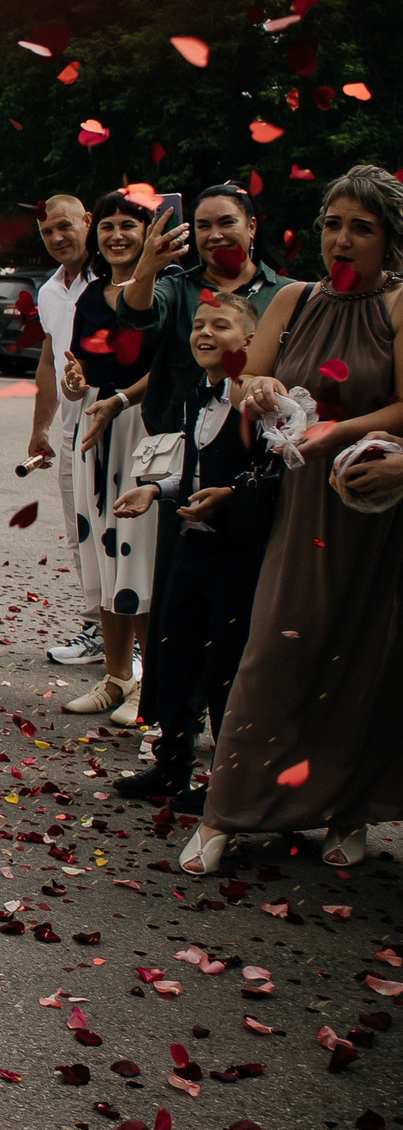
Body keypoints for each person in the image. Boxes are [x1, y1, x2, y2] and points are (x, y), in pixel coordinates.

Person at [180, 165, 403, 874]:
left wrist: (336, 431)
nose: (341, 239)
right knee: (274, 652)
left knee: (364, 653)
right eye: (333, 224)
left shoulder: (400, 307)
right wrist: (262, 386)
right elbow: (250, 382)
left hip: (376, 507)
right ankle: (226, 814)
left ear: (388, 239)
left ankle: (347, 808)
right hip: (302, 506)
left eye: (360, 228)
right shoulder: (294, 301)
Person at [102, 182, 293, 732]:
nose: (214, 235)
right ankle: (168, 736)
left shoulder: (285, 293)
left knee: (246, 611)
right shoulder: (177, 286)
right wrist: (148, 266)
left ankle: (237, 739)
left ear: (252, 226)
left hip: (261, 468)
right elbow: (135, 322)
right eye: (203, 225)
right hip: (183, 461)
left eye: (226, 222)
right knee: (177, 606)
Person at [108, 293, 265, 804]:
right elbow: (193, 465)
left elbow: (275, 473)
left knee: (223, 665)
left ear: (250, 341)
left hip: (236, 554)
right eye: (198, 324)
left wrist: (235, 496)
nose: (204, 333)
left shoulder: (262, 402)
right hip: (189, 548)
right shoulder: (196, 393)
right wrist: (156, 489)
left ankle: (226, 781)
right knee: (172, 655)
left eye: (220, 325)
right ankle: (173, 765)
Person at [59, 191, 161, 726]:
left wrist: (118, 399)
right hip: (95, 431)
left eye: (130, 225)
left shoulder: (166, 290)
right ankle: (117, 676)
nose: (117, 235)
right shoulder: (91, 296)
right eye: (109, 226)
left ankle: (156, 684)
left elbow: (169, 367)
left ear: (150, 231)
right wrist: (77, 385)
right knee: (100, 553)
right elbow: (80, 378)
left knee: (138, 555)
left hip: (144, 428)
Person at [20, 195, 101, 667]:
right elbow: (49, 360)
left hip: (117, 425)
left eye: (66, 226)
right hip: (72, 434)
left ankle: (132, 638)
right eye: (48, 231)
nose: (57, 238)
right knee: (81, 536)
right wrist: (41, 429)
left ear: (87, 222)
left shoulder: (113, 280)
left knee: (121, 538)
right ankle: (98, 628)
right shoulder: (50, 290)